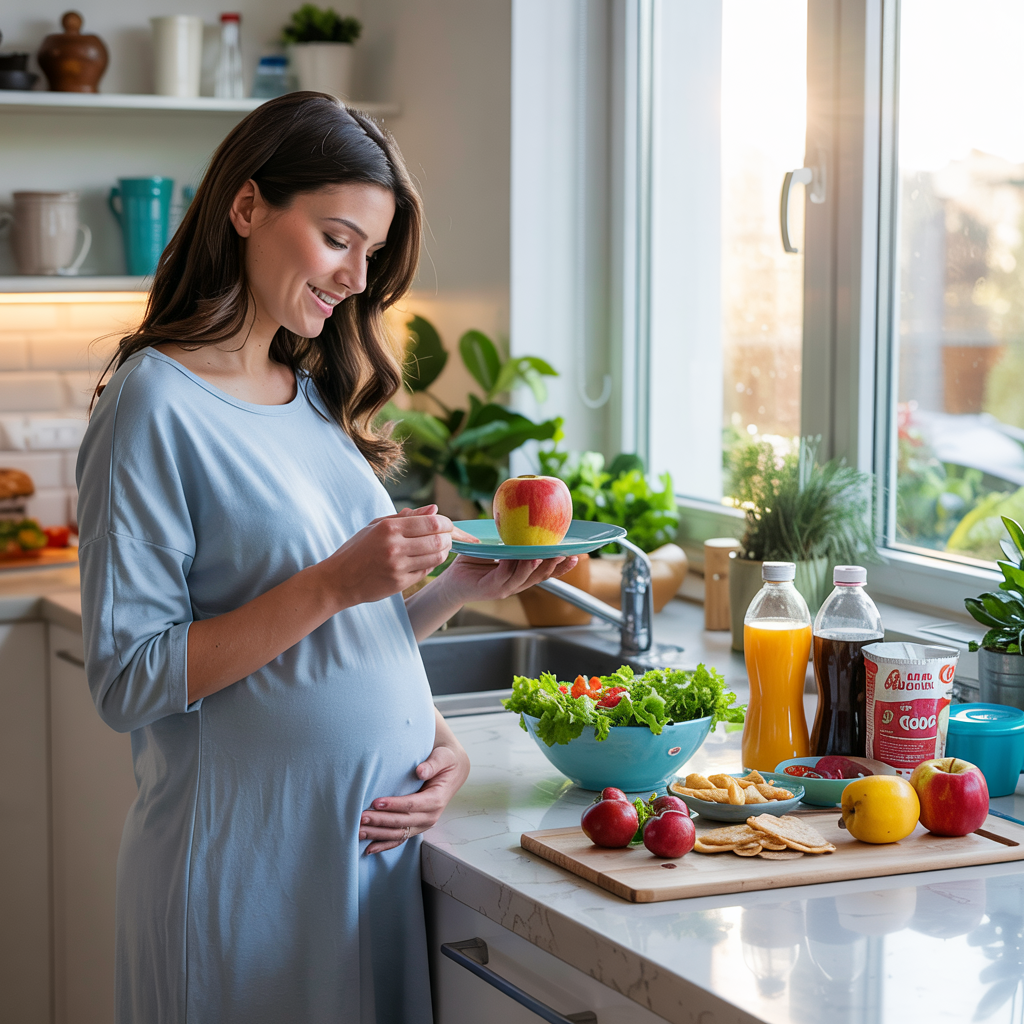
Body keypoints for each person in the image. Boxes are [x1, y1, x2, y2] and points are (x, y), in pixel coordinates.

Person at [76, 92, 577, 1024]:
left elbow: (333, 636)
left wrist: (448, 608)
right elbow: (130, 680)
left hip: (358, 866)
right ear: (248, 207)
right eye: (338, 238)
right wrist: (336, 580)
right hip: (243, 882)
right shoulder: (156, 404)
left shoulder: (306, 394)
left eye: (372, 255)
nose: (356, 277)